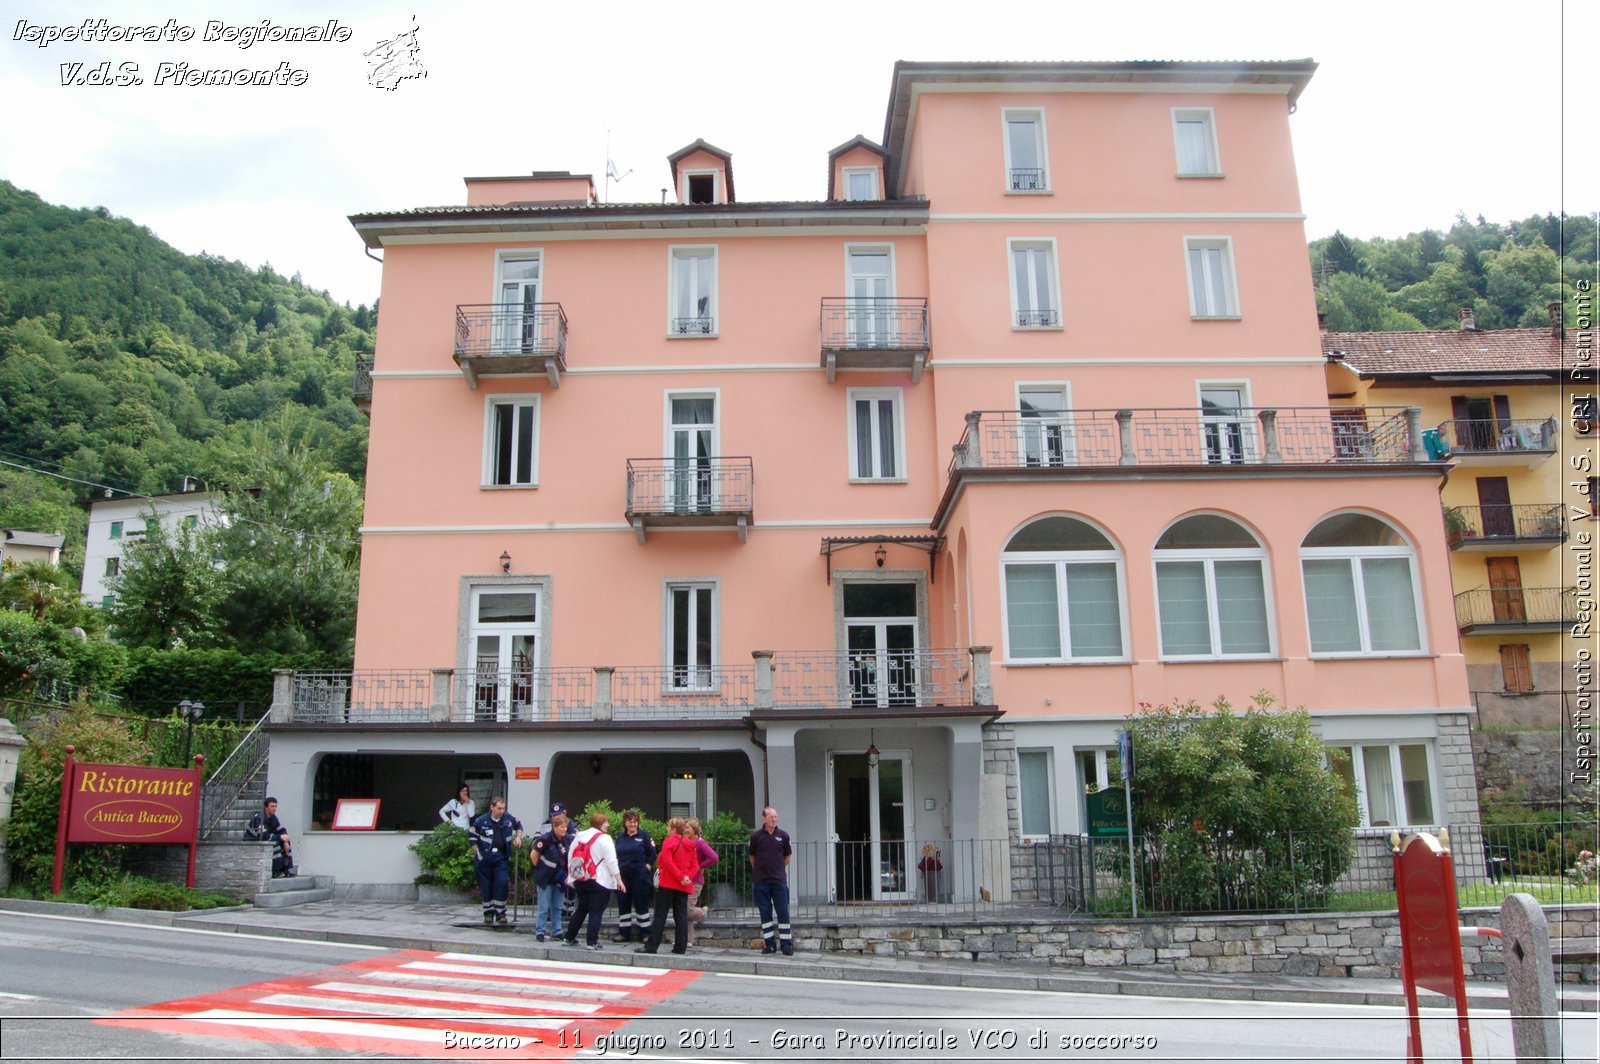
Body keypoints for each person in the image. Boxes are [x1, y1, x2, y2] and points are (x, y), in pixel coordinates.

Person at [562, 812, 623, 950]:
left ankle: (569, 937)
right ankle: (592, 941)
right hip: (599, 879)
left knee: (581, 909)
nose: (608, 825)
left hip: (580, 877)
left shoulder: (579, 837)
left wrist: (571, 875)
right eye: (606, 822)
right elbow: (611, 861)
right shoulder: (605, 838)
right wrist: (618, 879)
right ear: (601, 823)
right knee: (596, 911)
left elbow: (570, 856)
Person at [636, 818, 695, 956]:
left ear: (674, 829)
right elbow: (695, 865)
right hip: (683, 885)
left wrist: (679, 876)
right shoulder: (691, 844)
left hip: (668, 883)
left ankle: (652, 946)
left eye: (668, 827)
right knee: (681, 915)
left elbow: (667, 862)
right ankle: (681, 947)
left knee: (660, 915)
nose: (667, 829)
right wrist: (686, 877)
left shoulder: (669, 842)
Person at [469, 796, 523, 926]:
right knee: (486, 886)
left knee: (502, 883)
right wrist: (478, 854)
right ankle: (488, 914)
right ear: (492, 807)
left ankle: (500, 914)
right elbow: (471, 837)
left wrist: (518, 837)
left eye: (503, 808)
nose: (501, 811)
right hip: (485, 859)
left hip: (501, 858)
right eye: (499, 808)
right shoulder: (481, 821)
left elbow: (519, 826)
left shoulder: (508, 819)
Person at [748, 805, 793, 955]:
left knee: (782, 911)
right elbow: (752, 857)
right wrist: (760, 870)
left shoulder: (784, 836)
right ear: (764, 818)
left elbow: (787, 857)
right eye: (771, 817)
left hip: (779, 881)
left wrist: (778, 868)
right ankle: (770, 944)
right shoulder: (756, 837)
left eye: (775, 817)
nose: (774, 819)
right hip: (761, 881)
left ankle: (786, 944)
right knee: (765, 912)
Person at [612, 810, 656, 942]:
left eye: (635, 822)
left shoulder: (644, 836)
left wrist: (647, 866)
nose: (633, 824)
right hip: (623, 877)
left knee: (641, 903)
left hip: (639, 877)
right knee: (623, 903)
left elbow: (652, 853)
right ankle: (624, 933)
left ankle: (645, 933)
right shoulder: (620, 838)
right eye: (630, 822)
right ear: (625, 823)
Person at [530, 812, 569, 942]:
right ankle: (540, 932)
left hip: (560, 878)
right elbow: (534, 856)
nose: (564, 830)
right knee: (543, 907)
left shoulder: (568, 840)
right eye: (561, 827)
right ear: (554, 827)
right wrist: (540, 869)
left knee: (557, 906)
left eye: (565, 827)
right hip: (545, 878)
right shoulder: (545, 839)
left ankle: (556, 931)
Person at [684, 817, 720, 948]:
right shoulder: (686, 841)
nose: (685, 830)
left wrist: (700, 866)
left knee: (686, 909)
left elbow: (714, 857)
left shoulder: (700, 843)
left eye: (687, 828)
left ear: (694, 829)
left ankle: (702, 913)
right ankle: (688, 939)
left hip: (695, 881)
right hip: (686, 879)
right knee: (685, 909)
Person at [246, 797, 295, 878]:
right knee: (276, 843)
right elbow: (262, 836)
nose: (274, 808)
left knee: (286, 842)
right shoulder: (259, 818)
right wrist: (280, 837)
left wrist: (286, 841)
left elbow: (281, 829)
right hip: (254, 841)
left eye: (275, 806)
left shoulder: (273, 817)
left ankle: (286, 869)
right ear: (266, 807)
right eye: (272, 806)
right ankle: (276, 871)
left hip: (266, 838)